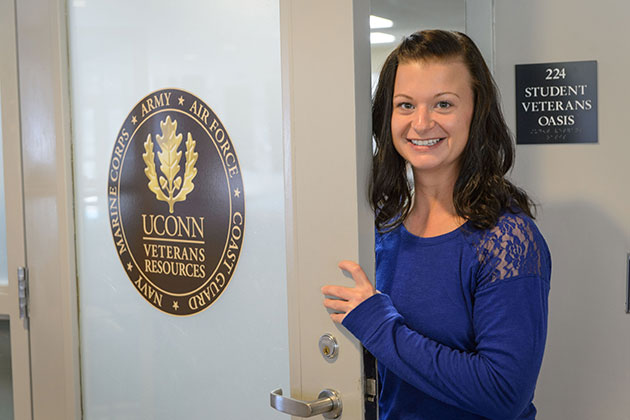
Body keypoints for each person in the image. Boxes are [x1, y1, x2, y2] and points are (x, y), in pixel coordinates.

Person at [321, 30, 551, 420]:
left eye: (443, 104)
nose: (422, 123)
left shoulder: (506, 238)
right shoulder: (383, 226)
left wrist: (379, 324)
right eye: (405, 105)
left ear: (476, 112)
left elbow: (504, 393)